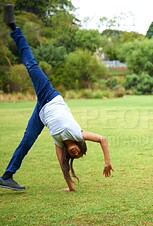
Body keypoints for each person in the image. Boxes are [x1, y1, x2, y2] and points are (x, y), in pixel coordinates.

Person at [0, 4, 113, 191]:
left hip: (42, 112)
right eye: (79, 151)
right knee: (31, 66)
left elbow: (63, 166)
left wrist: (71, 187)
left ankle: (6, 176)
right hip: (50, 96)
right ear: (79, 143)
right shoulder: (77, 134)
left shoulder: (59, 144)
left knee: (26, 142)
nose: (76, 153)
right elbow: (102, 139)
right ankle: (14, 27)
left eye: (74, 156)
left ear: (70, 154)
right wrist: (107, 162)